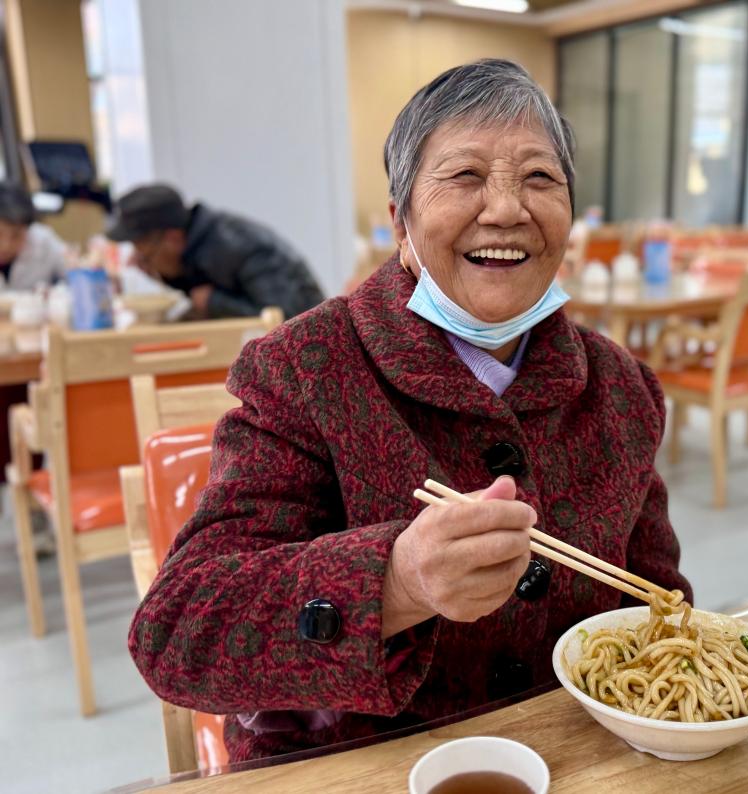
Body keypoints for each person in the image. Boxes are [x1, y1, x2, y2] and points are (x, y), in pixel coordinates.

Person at [129, 59, 692, 763]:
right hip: (362, 766)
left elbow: (660, 605)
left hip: (577, 759)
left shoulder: (620, 387)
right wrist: (395, 582)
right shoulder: (304, 370)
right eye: (465, 176)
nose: (507, 209)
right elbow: (178, 635)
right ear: (401, 220)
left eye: (540, 178)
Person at [106, 184, 324, 319]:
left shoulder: (237, 247)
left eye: (145, 255)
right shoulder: (195, 244)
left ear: (173, 238)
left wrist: (215, 302)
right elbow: (196, 287)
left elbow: (286, 317)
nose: (141, 261)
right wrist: (163, 275)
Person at [0, 182, 66, 290]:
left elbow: (72, 271)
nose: (6, 245)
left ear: (28, 228)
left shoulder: (43, 240)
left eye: (16, 235)